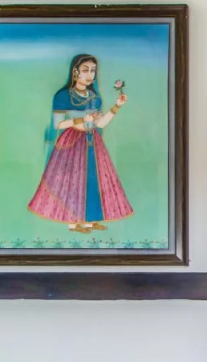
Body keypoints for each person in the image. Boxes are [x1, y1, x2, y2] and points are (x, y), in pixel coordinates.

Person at [27, 54, 134, 233]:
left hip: (93, 143)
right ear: (75, 72)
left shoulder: (94, 97)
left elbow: (100, 123)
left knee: (93, 180)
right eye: (85, 70)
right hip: (71, 143)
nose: (90, 74)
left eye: (93, 71)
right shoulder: (62, 96)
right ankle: (72, 223)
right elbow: (58, 124)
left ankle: (90, 221)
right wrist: (81, 120)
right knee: (72, 181)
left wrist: (116, 106)